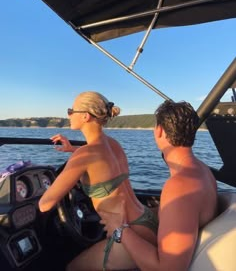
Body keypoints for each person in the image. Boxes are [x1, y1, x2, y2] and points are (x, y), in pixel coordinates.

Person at [38, 91, 157, 271]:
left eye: (71, 110)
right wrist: (72, 149)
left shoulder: (83, 155)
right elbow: (100, 157)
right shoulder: (113, 144)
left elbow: (45, 205)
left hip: (127, 233)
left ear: (85, 116)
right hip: (146, 220)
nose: (68, 114)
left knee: (71, 267)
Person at [99, 100, 218, 271]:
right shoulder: (203, 170)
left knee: (75, 266)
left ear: (159, 131)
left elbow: (167, 269)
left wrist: (118, 229)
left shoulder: (180, 186)